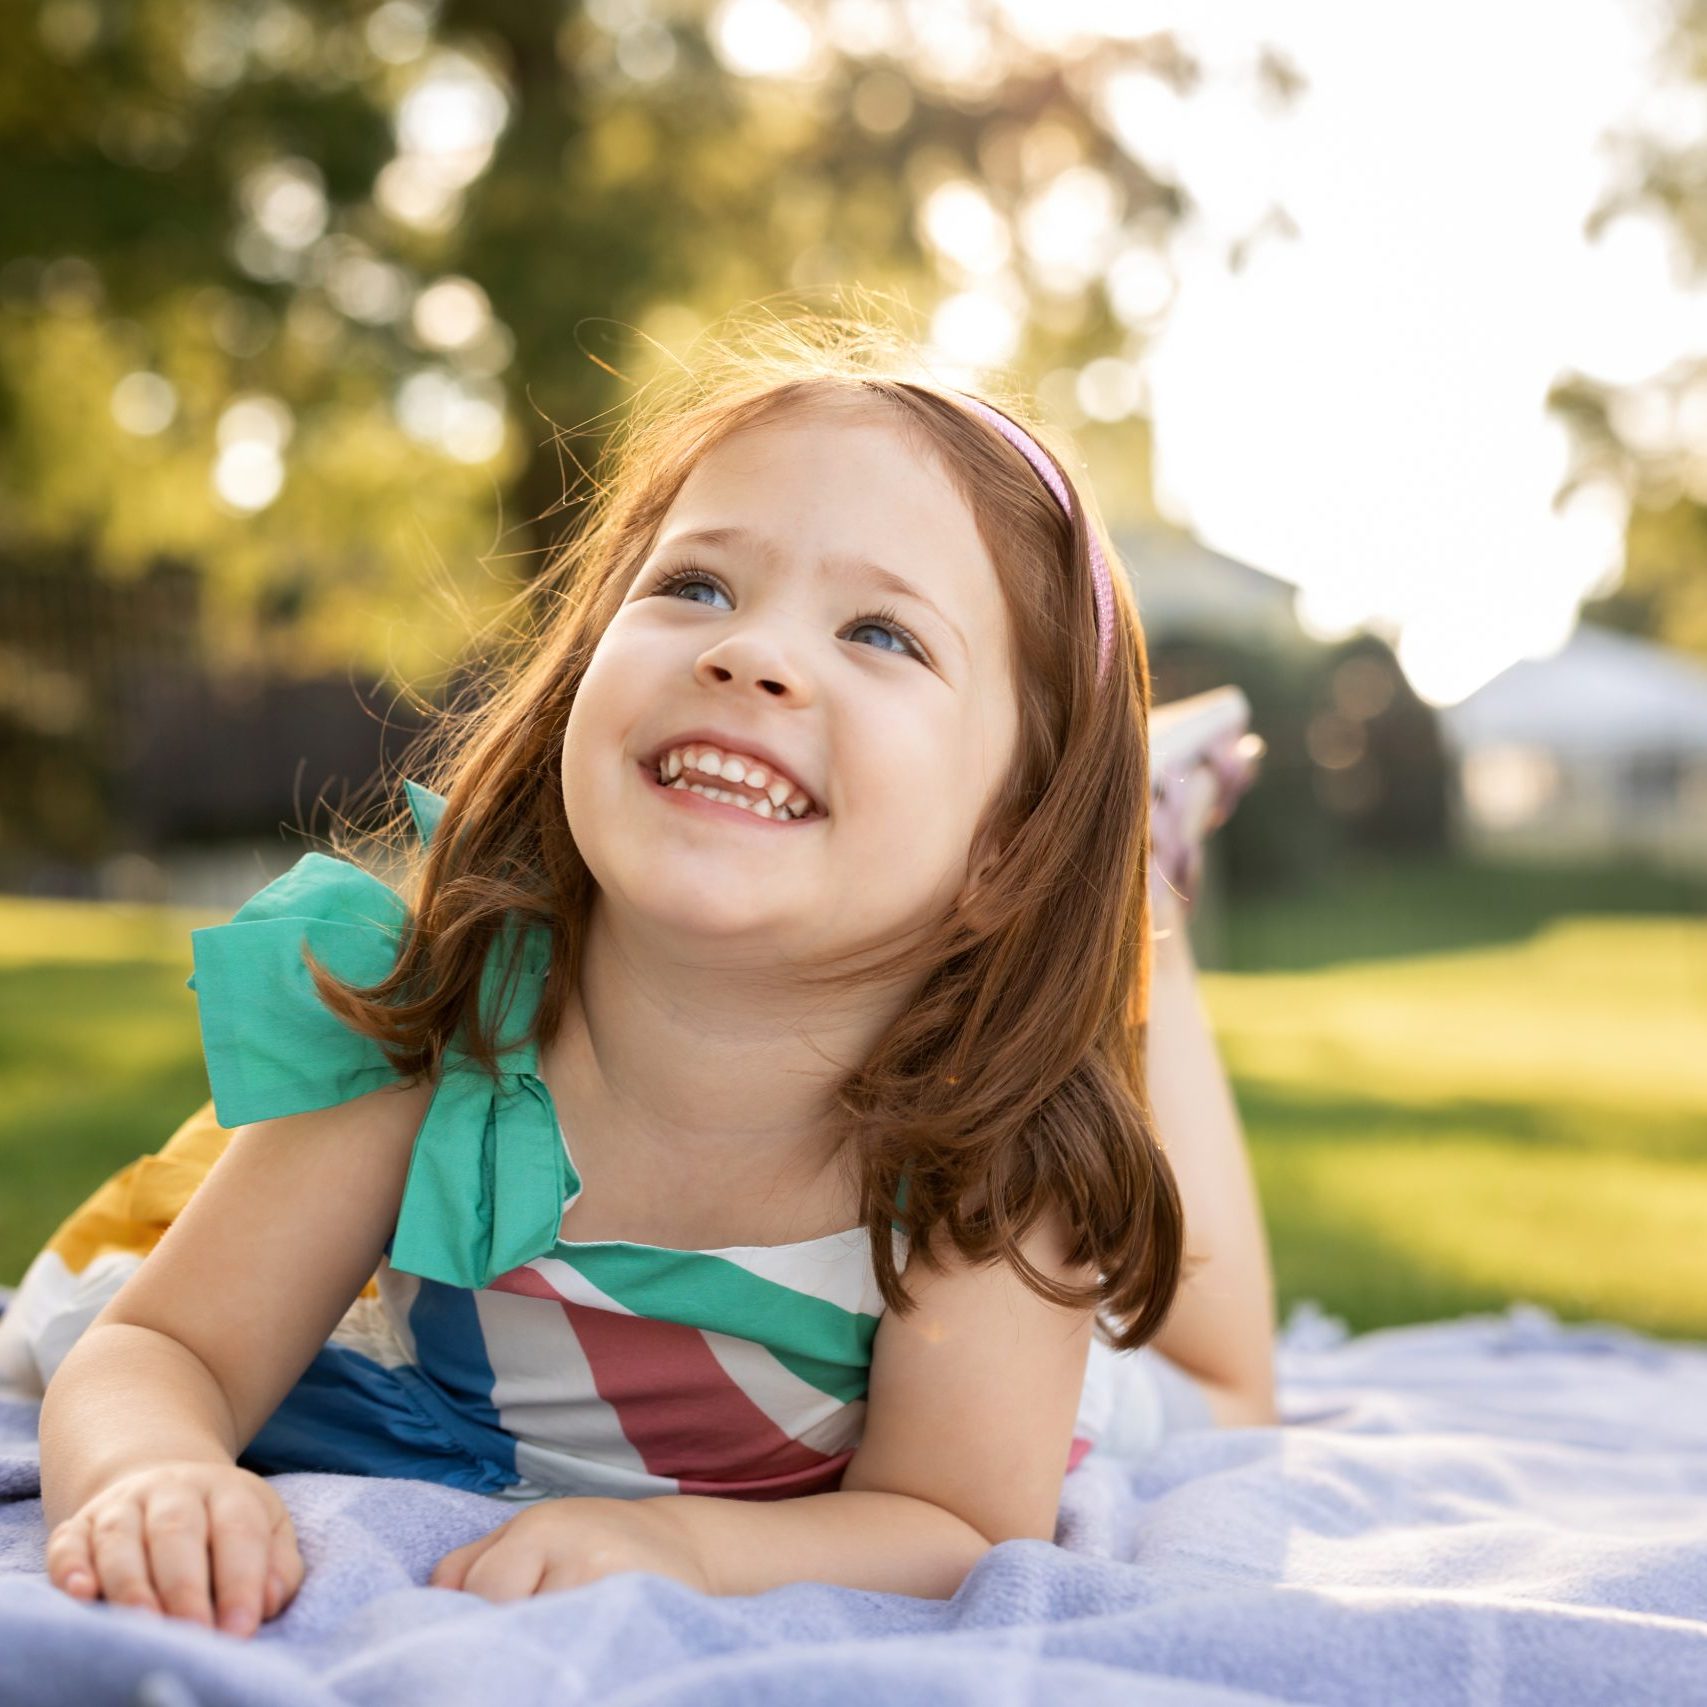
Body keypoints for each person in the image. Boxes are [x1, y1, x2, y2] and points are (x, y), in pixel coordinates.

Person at [3, 318, 1277, 1638]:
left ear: (1010, 827)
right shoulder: (447, 1017)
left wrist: (681, 1546)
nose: (753, 655)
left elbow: (951, 1520)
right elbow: (163, 1351)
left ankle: (1136, 873)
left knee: (1225, 1390)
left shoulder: (995, 1162)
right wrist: (157, 1471)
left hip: (1000, 1251)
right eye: (698, 589)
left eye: (884, 634)